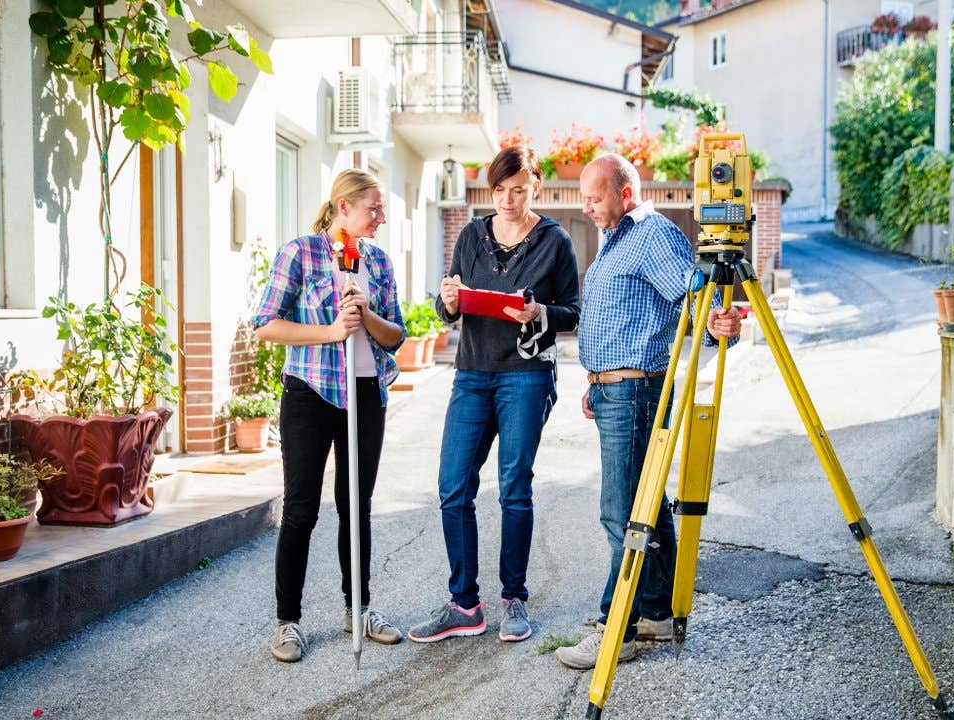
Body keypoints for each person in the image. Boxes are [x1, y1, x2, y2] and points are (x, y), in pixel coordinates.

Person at [555, 153, 742, 670]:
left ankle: (616, 628)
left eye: (594, 197)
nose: (586, 207)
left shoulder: (652, 234)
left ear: (626, 194)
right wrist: (597, 380)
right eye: (584, 198)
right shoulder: (618, 239)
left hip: (636, 392)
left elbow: (691, 293)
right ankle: (657, 614)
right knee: (648, 505)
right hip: (617, 391)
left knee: (622, 515)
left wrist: (715, 326)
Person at [408, 145, 581, 644]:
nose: (508, 199)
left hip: (525, 375)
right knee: (453, 486)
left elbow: (572, 310)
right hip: (472, 373)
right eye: (500, 190)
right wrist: (445, 302)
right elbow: (451, 310)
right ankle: (464, 604)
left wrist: (539, 313)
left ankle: (514, 599)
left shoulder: (555, 240)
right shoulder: (470, 235)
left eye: (519, 190)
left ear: (536, 189)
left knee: (513, 487)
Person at [252, 168, 407, 662]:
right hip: (311, 391)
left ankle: (357, 608)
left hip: (365, 392)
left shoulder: (377, 262)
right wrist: (331, 331)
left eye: (381, 209)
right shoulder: (301, 252)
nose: (381, 218)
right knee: (301, 507)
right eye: (373, 209)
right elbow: (265, 325)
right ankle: (288, 622)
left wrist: (367, 315)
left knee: (356, 504)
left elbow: (396, 336)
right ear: (344, 208)